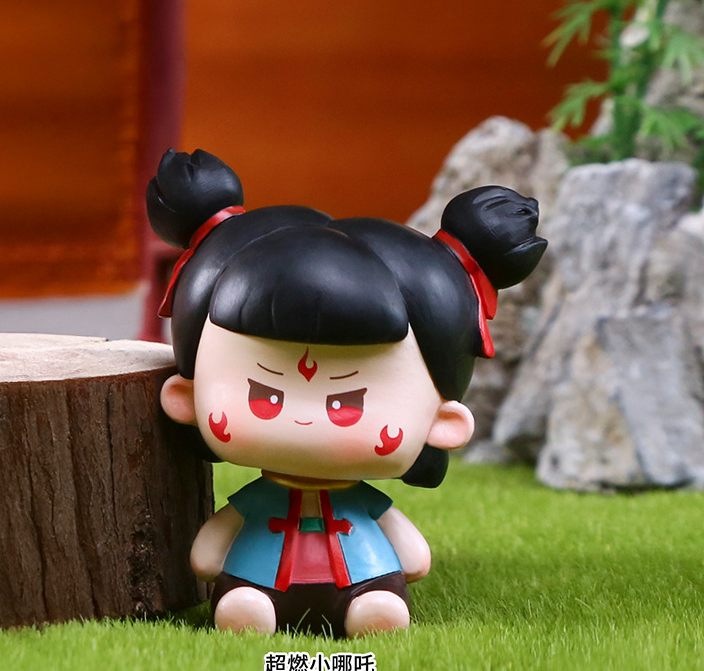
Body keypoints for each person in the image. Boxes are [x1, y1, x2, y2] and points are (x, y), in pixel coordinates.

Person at [147, 149, 546, 637]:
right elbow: (207, 556)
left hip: (365, 576)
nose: (304, 420)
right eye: (265, 396)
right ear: (185, 398)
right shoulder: (256, 501)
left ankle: (371, 608)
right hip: (257, 580)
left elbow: (416, 560)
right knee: (246, 605)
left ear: (444, 423)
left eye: (346, 403)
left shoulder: (364, 504)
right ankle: (250, 609)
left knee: (375, 606)